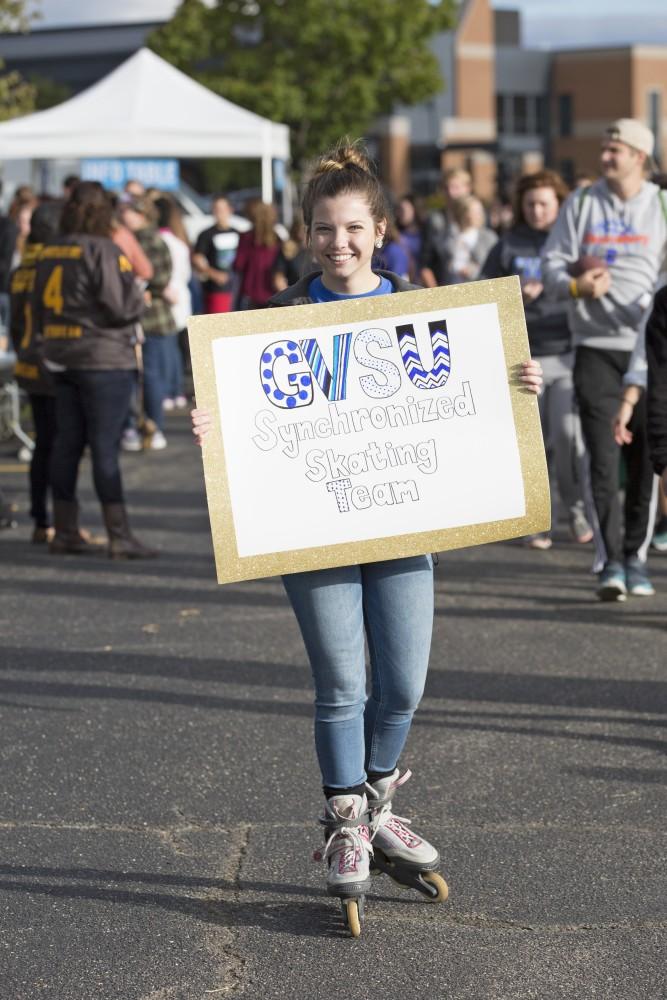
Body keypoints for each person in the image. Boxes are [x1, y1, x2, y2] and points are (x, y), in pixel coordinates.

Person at [191, 140, 543, 935]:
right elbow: (246, 425)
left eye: (352, 227)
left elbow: (467, 399)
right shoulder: (274, 320)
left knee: (406, 685)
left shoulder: (421, 309)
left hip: (403, 516)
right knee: (343, 683)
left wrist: (515, 382)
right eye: (322, 228)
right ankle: (343, 822)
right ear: (305, 233)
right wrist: (212, 425)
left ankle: (377, 801)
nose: (337, 243)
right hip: (311, 527)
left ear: (381, 229)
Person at [543, 118, 667, 601]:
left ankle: (635, 558)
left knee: (645, 461)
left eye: (615, 148)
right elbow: (552, 263)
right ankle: (609, 560)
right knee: (601, 452)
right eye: (605, 147)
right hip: (595, 346)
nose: (606, 155)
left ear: (639, 156)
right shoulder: (583, 202)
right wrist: (577, 285)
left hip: (650, 348)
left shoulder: (659, 204)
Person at [33, 181, 155, 559]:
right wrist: (140, 297)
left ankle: (64, 529)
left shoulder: (49, 250)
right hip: (103, 358)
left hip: (60, 355)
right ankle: (118, 535)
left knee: (67, 444)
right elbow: (120, 308)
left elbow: (38, 305)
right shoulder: (103, 248)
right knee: (104, 448)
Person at [481, 169, 592, 550]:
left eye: (544, 203)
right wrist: (516, 294)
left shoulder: (571, 243)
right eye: (530, 203)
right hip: (522, 356)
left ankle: (575, 508)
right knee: (532, 444)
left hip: (565, 351)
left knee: (567, 435)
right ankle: (540, 520)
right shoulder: (507, 245)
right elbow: (484, 293)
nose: (537, 210)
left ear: (559, 204)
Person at [8, 201, 62, 542]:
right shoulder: (54, 265)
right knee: (60, 444)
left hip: (27, 362)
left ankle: (41, 520)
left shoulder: (21, 268)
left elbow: (15, 323)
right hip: (54, 365)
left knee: (43, 442)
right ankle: (59, 522)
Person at [119, 196, 176, 451]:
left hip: (151, 318)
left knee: (149, 376)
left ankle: (154, 427)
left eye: (131, 212)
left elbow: (161, 275)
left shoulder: (149, 240)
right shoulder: (136, 238)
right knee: (137, 376)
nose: (125, 216)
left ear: (143, 214)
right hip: (140, 316)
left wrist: (144, 285)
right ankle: (139, 426)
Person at [154, 194, 192, 409]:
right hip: (180, 296)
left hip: (168, 298)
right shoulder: (179, 242)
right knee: (177, 349)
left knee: (168, 349)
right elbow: (186, 273)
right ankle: (177, 390)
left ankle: (169, 390)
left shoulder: (160, 242)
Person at [419, 166, 472, 288]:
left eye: (456, 187)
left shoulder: (479, 219)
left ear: (468, 188)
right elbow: (425, 265)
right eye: (447, 188)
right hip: (445, 288)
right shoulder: (435, 221)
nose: (451, 193)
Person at [193, 195, 240, 314]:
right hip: (216, 290)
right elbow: (197, 259)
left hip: (236, 288)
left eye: (222, 209)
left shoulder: (237, 233)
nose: (219, 213)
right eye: (216, 209)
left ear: (230, 210)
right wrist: (214, 274)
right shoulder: (206, 235)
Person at [233, 201, 282, 309]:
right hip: (275, 296)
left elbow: (238, 265)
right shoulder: (278, 240)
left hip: (250, 297)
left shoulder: (246, 238)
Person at [444, 195, 497, 284]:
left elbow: (494, 267)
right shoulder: (450, 235)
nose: (480, 215)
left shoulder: (488, 237)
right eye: (475, 212)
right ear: (463, 213)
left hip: (479, 289)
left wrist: (472, 271)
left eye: (480, 211)